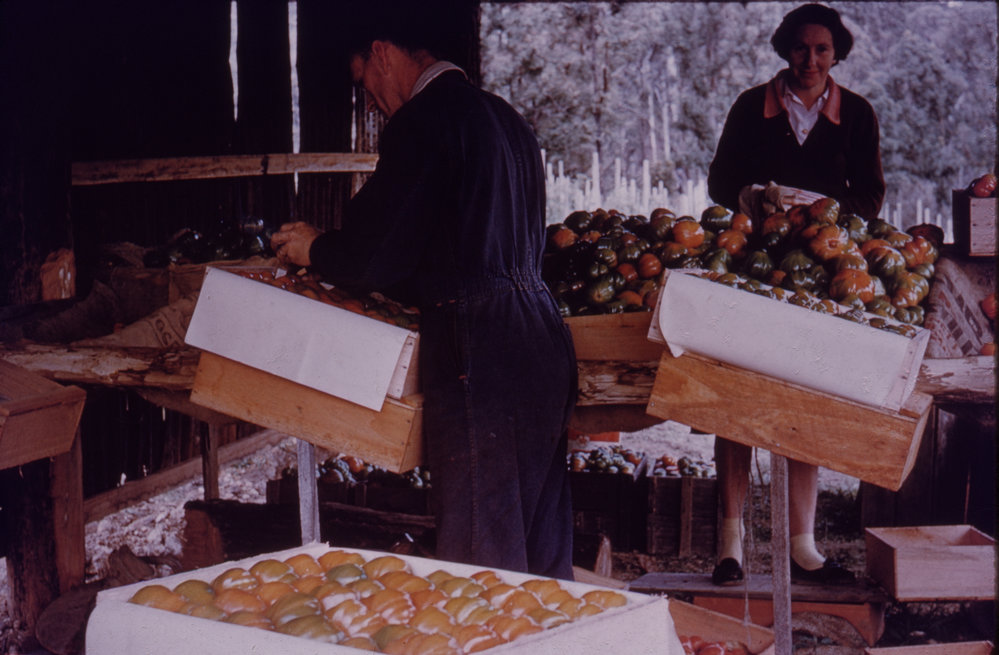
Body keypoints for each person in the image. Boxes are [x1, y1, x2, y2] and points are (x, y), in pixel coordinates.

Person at [270, 3, 578, 580]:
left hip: (481, 349)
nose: (371, 101)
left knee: (480, 558)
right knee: (540, 554)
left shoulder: (424, 121)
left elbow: (377, 252)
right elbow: (456, 240)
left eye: (365, 82)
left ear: (383, 53)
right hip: (543, 335)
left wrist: (316, 248)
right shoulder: (505, 118)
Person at [706, 3, 885, 586]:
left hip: (820, 275)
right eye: (801, 48)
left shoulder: (855, 114)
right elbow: (718, 181)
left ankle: (803, 547)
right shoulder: (750, 107)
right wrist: (753, 195)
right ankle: (730, 544)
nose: (810, 60)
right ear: (785, 49)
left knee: (802, 398)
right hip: (754, 268)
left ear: (837, 55)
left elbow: (870, 196)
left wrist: (821, 211)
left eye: (823, 50)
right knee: (735, 397)